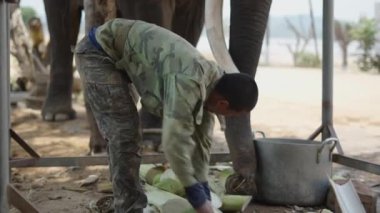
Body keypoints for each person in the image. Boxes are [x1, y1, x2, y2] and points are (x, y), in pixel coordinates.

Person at [75, 18, 258, 213]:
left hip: (123, 57)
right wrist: (198, 200)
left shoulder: (212, 87)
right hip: (98, 53)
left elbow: (201, 145)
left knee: (126, 133)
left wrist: (204, 190)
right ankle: (129, 208)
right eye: (233, 114)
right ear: (223, 104)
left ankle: (124, 198)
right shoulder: (188, 81)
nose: (230, 118)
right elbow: (173, 143)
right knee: (124, 134)